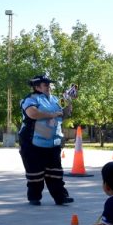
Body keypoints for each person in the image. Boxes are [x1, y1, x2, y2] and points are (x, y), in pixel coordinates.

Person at [18, 74, 73, 206]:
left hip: (52, 142)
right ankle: (34, 197)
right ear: (37, 87)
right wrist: (52, 115)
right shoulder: (30, 99)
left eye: (49, 84)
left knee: (55, 171)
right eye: (45, 84)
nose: (49, 86)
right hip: (31, 142)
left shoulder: (55, 99)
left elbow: (65, 113)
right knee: (35, 172)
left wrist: (69, 100)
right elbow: (32, 113)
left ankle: (60, 197)